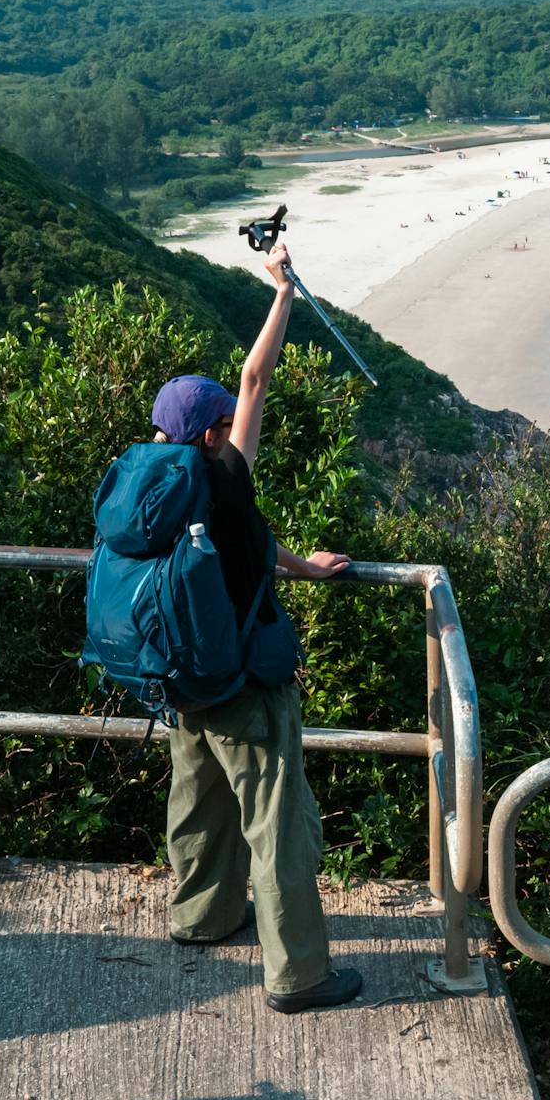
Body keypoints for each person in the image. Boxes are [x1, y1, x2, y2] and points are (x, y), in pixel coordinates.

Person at [150, 241, 361, 1013]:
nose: (231, 423)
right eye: (221, 422)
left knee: (197, 799)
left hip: (180, 678)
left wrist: (301, 564)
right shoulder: (225, 479)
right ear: (211, 432)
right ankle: (300, 975)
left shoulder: (156, 496)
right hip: (243, 681)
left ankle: (203, 917)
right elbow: (255, 377)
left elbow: (247, 554)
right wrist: (283, 293)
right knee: (276, 825)